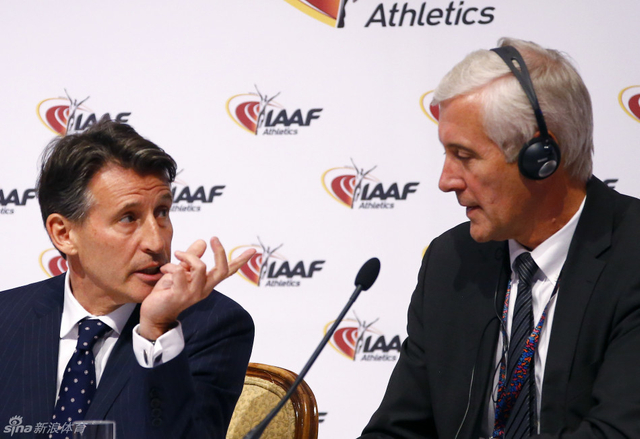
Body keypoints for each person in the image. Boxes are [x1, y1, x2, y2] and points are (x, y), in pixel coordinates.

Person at [360, 37, 640, 438]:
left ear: (541, 158)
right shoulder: (451, 261)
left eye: (464, 156)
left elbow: (618, 431)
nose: (446, 180)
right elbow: (398, 429)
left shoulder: (631, 255)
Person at [0, 121, 256, 438]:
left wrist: (157, 330)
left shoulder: (212, 325)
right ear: (64, 234)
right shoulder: (7, 318)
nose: (156, 242)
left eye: (162, 212)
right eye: (128, 218)